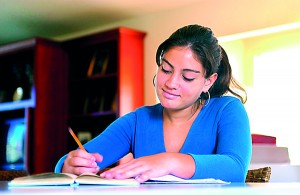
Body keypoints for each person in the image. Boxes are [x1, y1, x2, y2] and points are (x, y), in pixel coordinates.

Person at [55, 24, 252, 183]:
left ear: (208, 81)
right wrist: (69, 165)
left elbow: (235, 168)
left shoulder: (227, 110)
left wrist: (168, 161)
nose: (171, 83)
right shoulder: (137, 121)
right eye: (166, 69)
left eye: (187, 77)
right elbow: (86, 157)